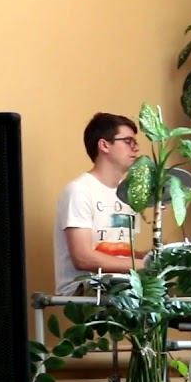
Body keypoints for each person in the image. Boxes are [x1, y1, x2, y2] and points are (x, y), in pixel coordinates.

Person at [53, 112, 144, 294]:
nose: (136, 148)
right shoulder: (79, 191)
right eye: (128, 141)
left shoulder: (129, 194)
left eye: (135, 142)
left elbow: (121, 254)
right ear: (104, 145)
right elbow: (83, 258)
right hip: (86, 289)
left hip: (121, 287)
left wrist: (155, 256)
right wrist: (142, 265)